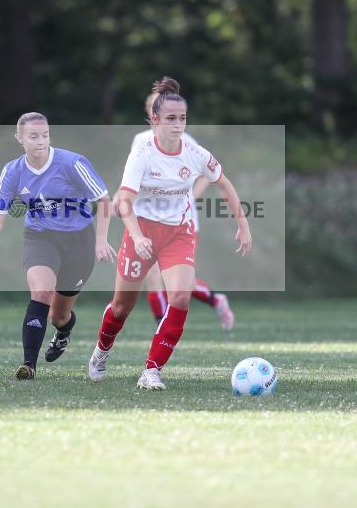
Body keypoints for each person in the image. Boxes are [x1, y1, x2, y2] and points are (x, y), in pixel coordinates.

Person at [88, 77, 252, 390]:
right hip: (143, 231)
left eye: (183, 119)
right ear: (155, 120)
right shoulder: (143, 152)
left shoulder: (195, 152)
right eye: (171, 119)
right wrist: (136, 236)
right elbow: (123, 201)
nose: (178, 125)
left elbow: (224, 184)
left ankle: (151, 371)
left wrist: (242, 224)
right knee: (122, 306)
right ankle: (101, 350)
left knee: (179, 296)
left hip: (180, 232)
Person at [0, 112, 116, 380]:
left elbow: (104, 201)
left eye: (45, 135)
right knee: (42, 292)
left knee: (58, 316)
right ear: (20, 138)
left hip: (79, 241)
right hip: (40, 237)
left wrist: (101, 241)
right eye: (33, 136)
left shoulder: (72, 163)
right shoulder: (12, 171)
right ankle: (29, 364)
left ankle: (63, 331)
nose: (40, 141)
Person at [131, 92, 234, 330]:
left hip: (180, 221)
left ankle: (215, 299)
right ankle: (162, 327)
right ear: (151, 114)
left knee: (175, 283)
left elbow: (206, 177)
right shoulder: (140, 140)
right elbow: (134, 176)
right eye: (153, 110)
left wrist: (187, 198)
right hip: (148, 218)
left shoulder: (186, 141)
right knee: (152, 276)